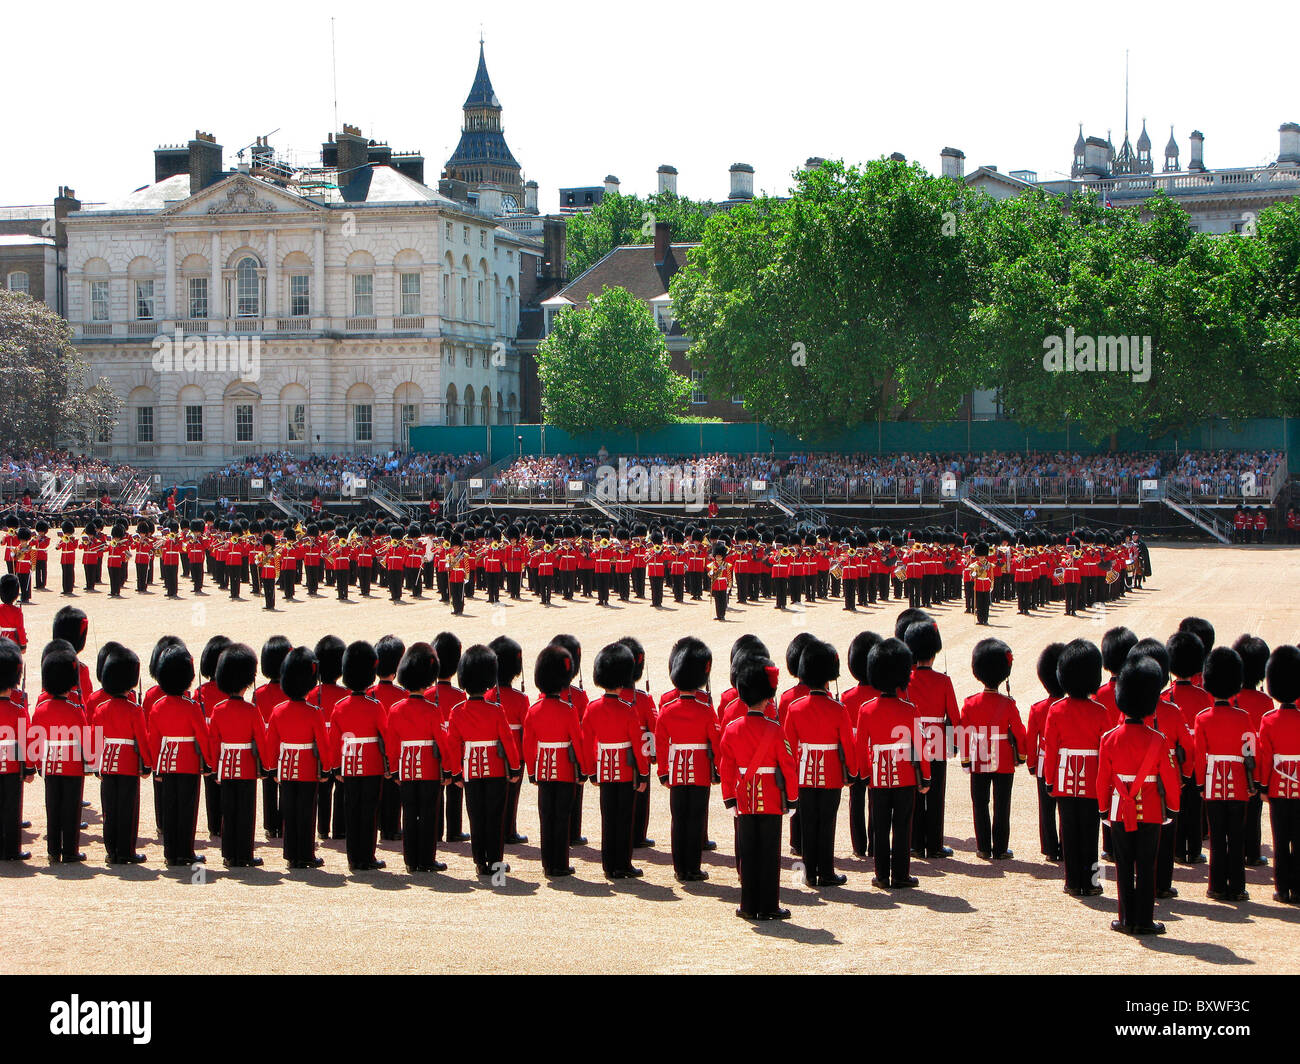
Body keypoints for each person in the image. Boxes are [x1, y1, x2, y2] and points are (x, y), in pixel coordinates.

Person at [1096, 656, 1182, 935]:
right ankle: (1144, 920)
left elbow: (1102, 780)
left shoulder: (1108, 738)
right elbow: (1169, 779)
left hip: (1120, 809)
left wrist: (1102, 809)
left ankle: (1125, 918)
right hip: (1152, 811)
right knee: (1146, 866)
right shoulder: (1158, 739)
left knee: (1123, 866)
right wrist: (1173, 808)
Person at [719, 655, 799, 919]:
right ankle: (769, 905)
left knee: (749, 854)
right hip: (772, 800)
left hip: (744, 799)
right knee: (769, 855)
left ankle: (748, 905)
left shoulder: (731, 729)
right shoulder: (775, 730)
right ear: (767, 697)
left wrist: (730, 797)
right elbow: (788, 766)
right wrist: (793, 798)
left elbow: (727, 766)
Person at [855, 637, 930, 890]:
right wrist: (926, 777)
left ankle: (881, 875)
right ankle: (900, 875)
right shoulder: (910, 710)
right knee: (901, 826)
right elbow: (920, 747)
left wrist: (865, 774)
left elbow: (860, 747)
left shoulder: (866, 710)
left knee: (879, 825)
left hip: (877, 776)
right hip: (905, 776)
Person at [784, 638, 857, 887]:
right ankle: (826, 871)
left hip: (804, 773)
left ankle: (809, 872)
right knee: (826, 824)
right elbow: (848, 745)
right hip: (831, 774)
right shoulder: (839, 709)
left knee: (807, 823)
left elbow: (788, 747)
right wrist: (853, 771)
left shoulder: (795, 708)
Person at [445, 644, 521, 878]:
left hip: (470, 771)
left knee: (476, 817)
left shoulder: (457, 711)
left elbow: (452, 744)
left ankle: (480, 863)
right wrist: (515, 767)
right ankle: (496, 864)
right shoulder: (496, 710)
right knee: (495, 818)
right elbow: (508, 741)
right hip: (496, 771)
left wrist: (456, 772)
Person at [1043, 639, 1108, 897]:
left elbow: (1051, 750)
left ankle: (1072, 881)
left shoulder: (1056, 710)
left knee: (1068, 832)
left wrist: (1050, 780)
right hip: (1092, 778)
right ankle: (1092, 882)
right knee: (1091, 834)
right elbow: (1105, 753)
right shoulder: (1101, 712)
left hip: (1064, 778)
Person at [582, 642, 650, 880]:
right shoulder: (628, 709)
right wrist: (642, 774)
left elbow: (586, 741)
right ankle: (623, 864)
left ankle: (608, 865)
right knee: (624, 820)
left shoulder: (592, 708)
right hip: (625, 771)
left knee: (608, 819)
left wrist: (591, 771)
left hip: (604, 769)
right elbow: (639, 746)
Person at [654, 637, 719, 883]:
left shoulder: (668, 710)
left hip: (676, 771)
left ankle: (679, 867)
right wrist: (717, 769)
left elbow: (661, 743)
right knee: (695, 819)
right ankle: (693, 867)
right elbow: (716, 741)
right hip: (700, 770)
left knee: (678, 819)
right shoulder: (705, 709)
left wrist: (663, 771)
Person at [523, 645, 592, 877]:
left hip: (543, 769)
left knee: (546, 818)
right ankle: (560, 864)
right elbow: (578, 742)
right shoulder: (568, 710)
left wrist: (532, 771)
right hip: (564, 769)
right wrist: (583, 770)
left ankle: (547, 864)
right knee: (562, 817)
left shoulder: (533, 710)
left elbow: (528, 744)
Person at [384, 642, 450, 873]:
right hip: (429, 769)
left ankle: (411, 860)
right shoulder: (433, 710)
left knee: (409, 814)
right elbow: (442, 743)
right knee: (429, 815)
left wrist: (394, 770)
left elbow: (392, 745)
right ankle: (426, 859)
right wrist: (449, 770)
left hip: (406, 768)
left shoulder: (395, 709)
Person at [1194, 646, 1254, 902]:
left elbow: (1199, 756)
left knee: (1217, 836)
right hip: (1238, 781)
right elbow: (1251, 750)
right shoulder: (1244, 717)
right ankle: (1237, 886)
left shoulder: (1203, 718)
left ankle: (1217, 886)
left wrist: (1200, 784)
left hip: (1213, 782)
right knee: (1237, 836)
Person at [959, 638, 1027, 860]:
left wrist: (966, 759)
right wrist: (1021, 755)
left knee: (980, 804)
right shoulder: (1008, 704)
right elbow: (1019, 732)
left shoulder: (970, 703)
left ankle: (983, 847)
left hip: (978, 758)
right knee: (1002, 805)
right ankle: (999, 848)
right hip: (1004, 760)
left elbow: (963, 732)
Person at [146, 643, 211, 868]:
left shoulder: (157, 706)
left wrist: (156, 766)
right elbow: (203, 737)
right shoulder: (192, 707)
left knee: (170, 808)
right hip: (188, 762)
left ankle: (171, 853)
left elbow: (153, 740)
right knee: (186, 809)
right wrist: (209, 761)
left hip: (166, 763)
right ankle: (186, 852)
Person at [207, 643, 268, 868]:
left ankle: (229, 854)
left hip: (225, 767)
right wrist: (267, 766)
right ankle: (244, 854)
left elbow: (213, 741)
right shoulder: (252, 710)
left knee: (228, 811)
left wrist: (214, 767)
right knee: (245, 812)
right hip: (247, 767)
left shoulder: (218, 710)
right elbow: (261, 740)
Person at [329, 641, 388, 872]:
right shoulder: (375, 706)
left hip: (350, 764)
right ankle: (367, 856)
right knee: (369, 812)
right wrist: (390, 764)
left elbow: (334, 741)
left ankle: (354, 858)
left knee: (352, 811)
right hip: (371, 765)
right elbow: (386, 736)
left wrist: (336, 767)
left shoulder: (340, 706)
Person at [91, 644, 152, 865]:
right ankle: (126, 851)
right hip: (127, 763)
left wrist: (96, 764)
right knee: (127, 808)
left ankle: (111, 851)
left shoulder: (100, 709)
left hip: (106, 763)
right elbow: (142, 740)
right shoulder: (135, 710)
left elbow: (96, 740)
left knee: (110, 809)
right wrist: (147, 764)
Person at [903, 620, 957, 860]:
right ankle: (934, 844)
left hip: (912, 738)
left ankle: (914, 843)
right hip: (936, 740)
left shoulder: (905, 680)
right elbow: (954, 717)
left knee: (914, 790)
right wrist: (956, 745)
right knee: (935, 795)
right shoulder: (943, 681)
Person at [32, 643, 90, 862]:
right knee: (71, 808)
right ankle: (70, 850)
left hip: (50, 765)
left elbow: (34, 739)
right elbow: (85, 738)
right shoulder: (75, 710)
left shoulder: (41, 709)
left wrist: (37, 763)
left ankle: (53, 850)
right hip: (73, 765)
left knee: (53, 807)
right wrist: (90, 762)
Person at [1256, 645, 1300, 903]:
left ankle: (1281, 887)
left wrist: (1263, 786)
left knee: (1280, 840)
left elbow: (1265, 757)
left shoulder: (1269, 719)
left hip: (1278, 787)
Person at [1165, 631, 1212, 865]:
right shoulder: (1204, 697)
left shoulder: (1166, 697)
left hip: (1172, 761)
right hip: (1195, 759)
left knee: (1174, 805)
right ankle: (1193, 850)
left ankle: (1175, 849)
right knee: (1194, 807)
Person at [1231, 635, 1273, 868]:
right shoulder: (1265, 702)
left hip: (1233, 761)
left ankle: (1235, 852)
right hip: (1255, 764)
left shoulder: (1233, 698)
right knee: (1254, 811)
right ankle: (1252, 852)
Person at [843, 631, 881, 859]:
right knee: (876, 801)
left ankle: (859, 845)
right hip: (875, 755)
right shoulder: (881, 695)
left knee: (855, 800)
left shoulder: (847, 697)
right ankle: (875, 844)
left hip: (855, 755)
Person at [488, 636, 529, 846]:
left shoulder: (487, 695)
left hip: (491, 751)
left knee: (493, 795)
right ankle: (509, 830)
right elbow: (527, 729)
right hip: (515, 752)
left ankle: (495, 830)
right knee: (511, 796)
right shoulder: (520, 699)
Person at [1026, 643, 1065, 862]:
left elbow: (1032, 739)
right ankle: (1067, 845)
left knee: (1047, 809)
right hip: (1068, 763)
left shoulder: (1038, 708)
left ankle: (1051, 848)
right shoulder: (1068, 706)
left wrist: (1032, 764)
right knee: (1066, 810)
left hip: (1043, 763)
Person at [429, 632, 468, 843]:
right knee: (455, 793)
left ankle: (436, 831)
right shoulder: (459, 696)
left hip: (433, 752)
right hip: (453, 752)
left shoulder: (426, 695)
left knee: (435, 794)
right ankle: (454, 831)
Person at [254, 636, 291, 840]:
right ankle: (284, 822)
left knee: (268, 786)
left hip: (267, 745)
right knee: (285, 785)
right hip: (285, 745)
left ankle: (270, 825)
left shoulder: (259, 693)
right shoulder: (290, 692)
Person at [312, 635, 347, 841]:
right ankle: (339, 829)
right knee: (340, 792)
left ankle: (323, 828)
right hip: (341, 752)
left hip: (319, 751)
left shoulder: (311, 694)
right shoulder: (345, 694)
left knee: (322, 792)